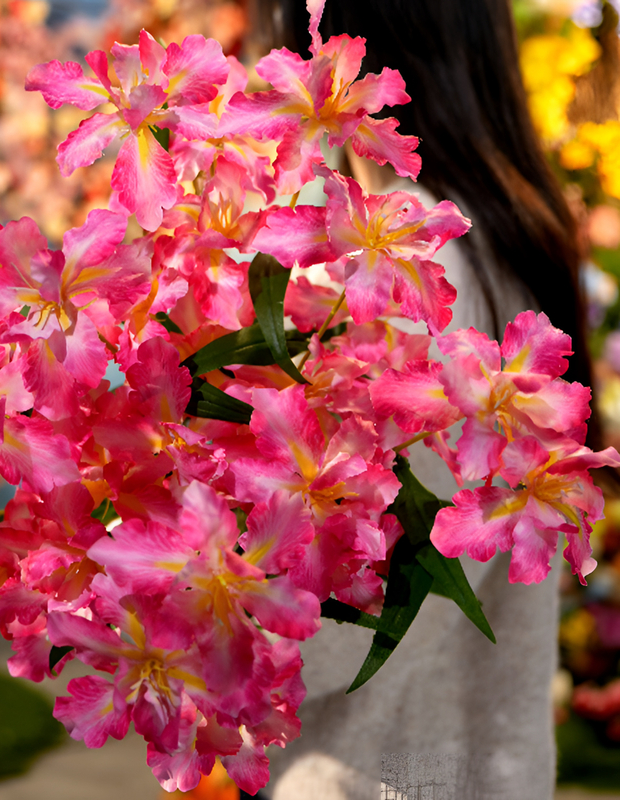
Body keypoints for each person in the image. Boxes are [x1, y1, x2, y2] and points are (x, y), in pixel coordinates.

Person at [249, 0, 596, 797]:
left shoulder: (390, 270)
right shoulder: (513, 240)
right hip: (482, 761)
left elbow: (330, 630)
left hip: (377, 772)